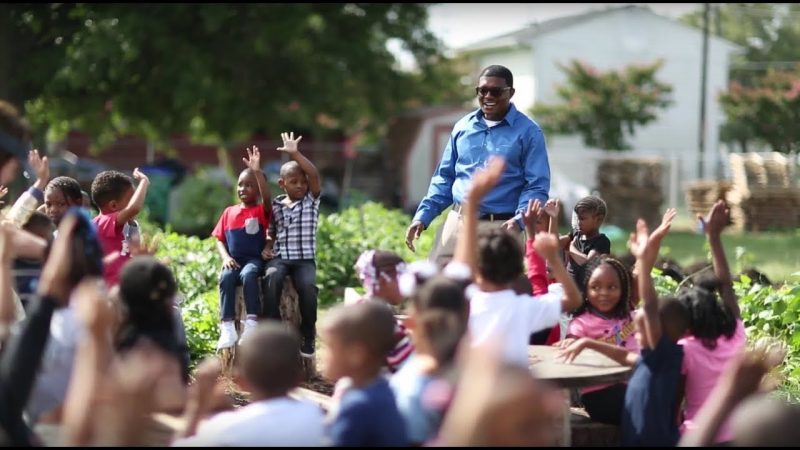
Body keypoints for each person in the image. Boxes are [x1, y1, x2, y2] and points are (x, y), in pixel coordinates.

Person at [559, 209, 688, 446]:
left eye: (612, 287)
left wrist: (655, 238)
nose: (604, 293)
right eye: (596, 287)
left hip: (638, 383)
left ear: (623, 290)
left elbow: (642, 273)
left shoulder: (630, 314)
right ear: (586, 290)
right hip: (602, 394)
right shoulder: (581, 324)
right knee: (651, 402)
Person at [405, 65, 551, 264]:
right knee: (440, 285)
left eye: (496, 91)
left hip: (501, 228)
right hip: (458, 222)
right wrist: (422, 217)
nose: (488, 96)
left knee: (494, 291)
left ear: (511, 93)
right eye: (483, 90)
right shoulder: (462, 127)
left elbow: (536, 186)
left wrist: (519, 222)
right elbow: (445, 177)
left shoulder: (529, 132)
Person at [451, 157, 581, 367]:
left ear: (476, 270)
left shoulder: (464, 301)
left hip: (472, 391)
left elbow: (460, 267)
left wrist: (473, 201)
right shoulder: (524, 308)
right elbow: (573, 300)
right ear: (517, 271)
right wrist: (553, 259)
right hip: (513, 391)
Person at [173, 324, 325, 446]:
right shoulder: (313, 414)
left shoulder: (225, 429)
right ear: (300, 378)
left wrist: (198, 406)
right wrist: (230, 411)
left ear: (239, 381)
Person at [677, 200, 746, 444]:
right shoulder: (736, 335)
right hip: (740, 433)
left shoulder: (686, 350)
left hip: (700, 437)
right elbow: (726, 285)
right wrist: (714, 237)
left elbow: (675, 407)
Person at [262, 132, 321, 357]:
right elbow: (272, 232)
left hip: (304, 258)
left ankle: (308, 334)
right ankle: (272, 329)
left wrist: (295, 153)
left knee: (307, 287)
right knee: (272, 277)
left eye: (303, 182)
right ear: (282, 184)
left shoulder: (311, 201)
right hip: (281, 256)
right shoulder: (277, 205)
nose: (300, 186)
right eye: (294, 182)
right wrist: (268, 245)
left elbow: (314, 174)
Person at [321, 301, 409, 447]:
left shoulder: (358, 407)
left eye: (329, 347)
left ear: (356, 355)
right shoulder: (381, 389)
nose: (323, 354)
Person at [211, 146, 271, 349]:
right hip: (233, 260)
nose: (243, 189)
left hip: (253, 259)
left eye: (249, 185)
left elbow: (268, 198)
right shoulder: (229, 212)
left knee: (249, 275)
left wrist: (257, 171)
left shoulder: (261, 211)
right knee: (226, 277)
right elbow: (219, 239)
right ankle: (227, 326)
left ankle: (251, 322)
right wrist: (225, 258)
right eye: (240, 185)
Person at [353, 249, 414, 373]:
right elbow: (403, 361)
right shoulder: (380, 317)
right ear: (382, 280)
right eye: (401, 278)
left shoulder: (362, 306)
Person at [90, 168, 150, 287]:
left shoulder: (120, 226)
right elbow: (134, 208)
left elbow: (133, 251)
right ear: (113, 205)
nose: (135, 201)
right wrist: (144, 181)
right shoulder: (103, 221)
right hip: (110, 289)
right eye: (131, 199)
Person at [563, 195, 612, 291]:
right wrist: (553, 217)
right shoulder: (576, 234)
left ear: (598, 219)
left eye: (582, 219)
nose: (578, 222)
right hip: (568, 289)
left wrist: (571, 249)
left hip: (584, 292)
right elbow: (554, 243)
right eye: (577, 218)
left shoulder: (602, 241)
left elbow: (589, 263)